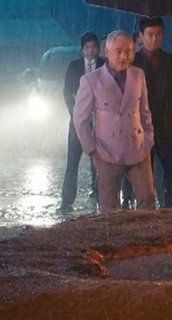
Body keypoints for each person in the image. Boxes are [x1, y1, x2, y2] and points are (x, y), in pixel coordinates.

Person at [73, 31, 156, 213]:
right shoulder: (91, 80)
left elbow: (144, 111)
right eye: (118, 51)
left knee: (147, 200)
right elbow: (80, 118)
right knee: (109, 207)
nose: (123, 56)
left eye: (128, 51)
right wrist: (92, 150)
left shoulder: (138, 75)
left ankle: (146, 232)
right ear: (107, 52)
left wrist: (148, 140)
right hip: (106, 152)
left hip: (138, 148)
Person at [131, 17, 172, 208]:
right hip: (140, 128)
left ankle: (170, 212)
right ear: (141, 36)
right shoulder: (132, 63)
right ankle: (141, 211)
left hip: (167, 128)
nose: (154, 39)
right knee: (139, 177)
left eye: (158, 34)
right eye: (150, 34)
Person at [61, 32, 104, 211]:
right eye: (87, 47)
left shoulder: (104, 66)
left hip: (101, 122)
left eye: (93, 46)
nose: (90, 50)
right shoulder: (74, 67)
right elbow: (67, 92)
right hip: (78, 123)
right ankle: (67, 200)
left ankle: (101, 197)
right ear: (82, 50)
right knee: (72, 161)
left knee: (99, 162)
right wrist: (76, 114)